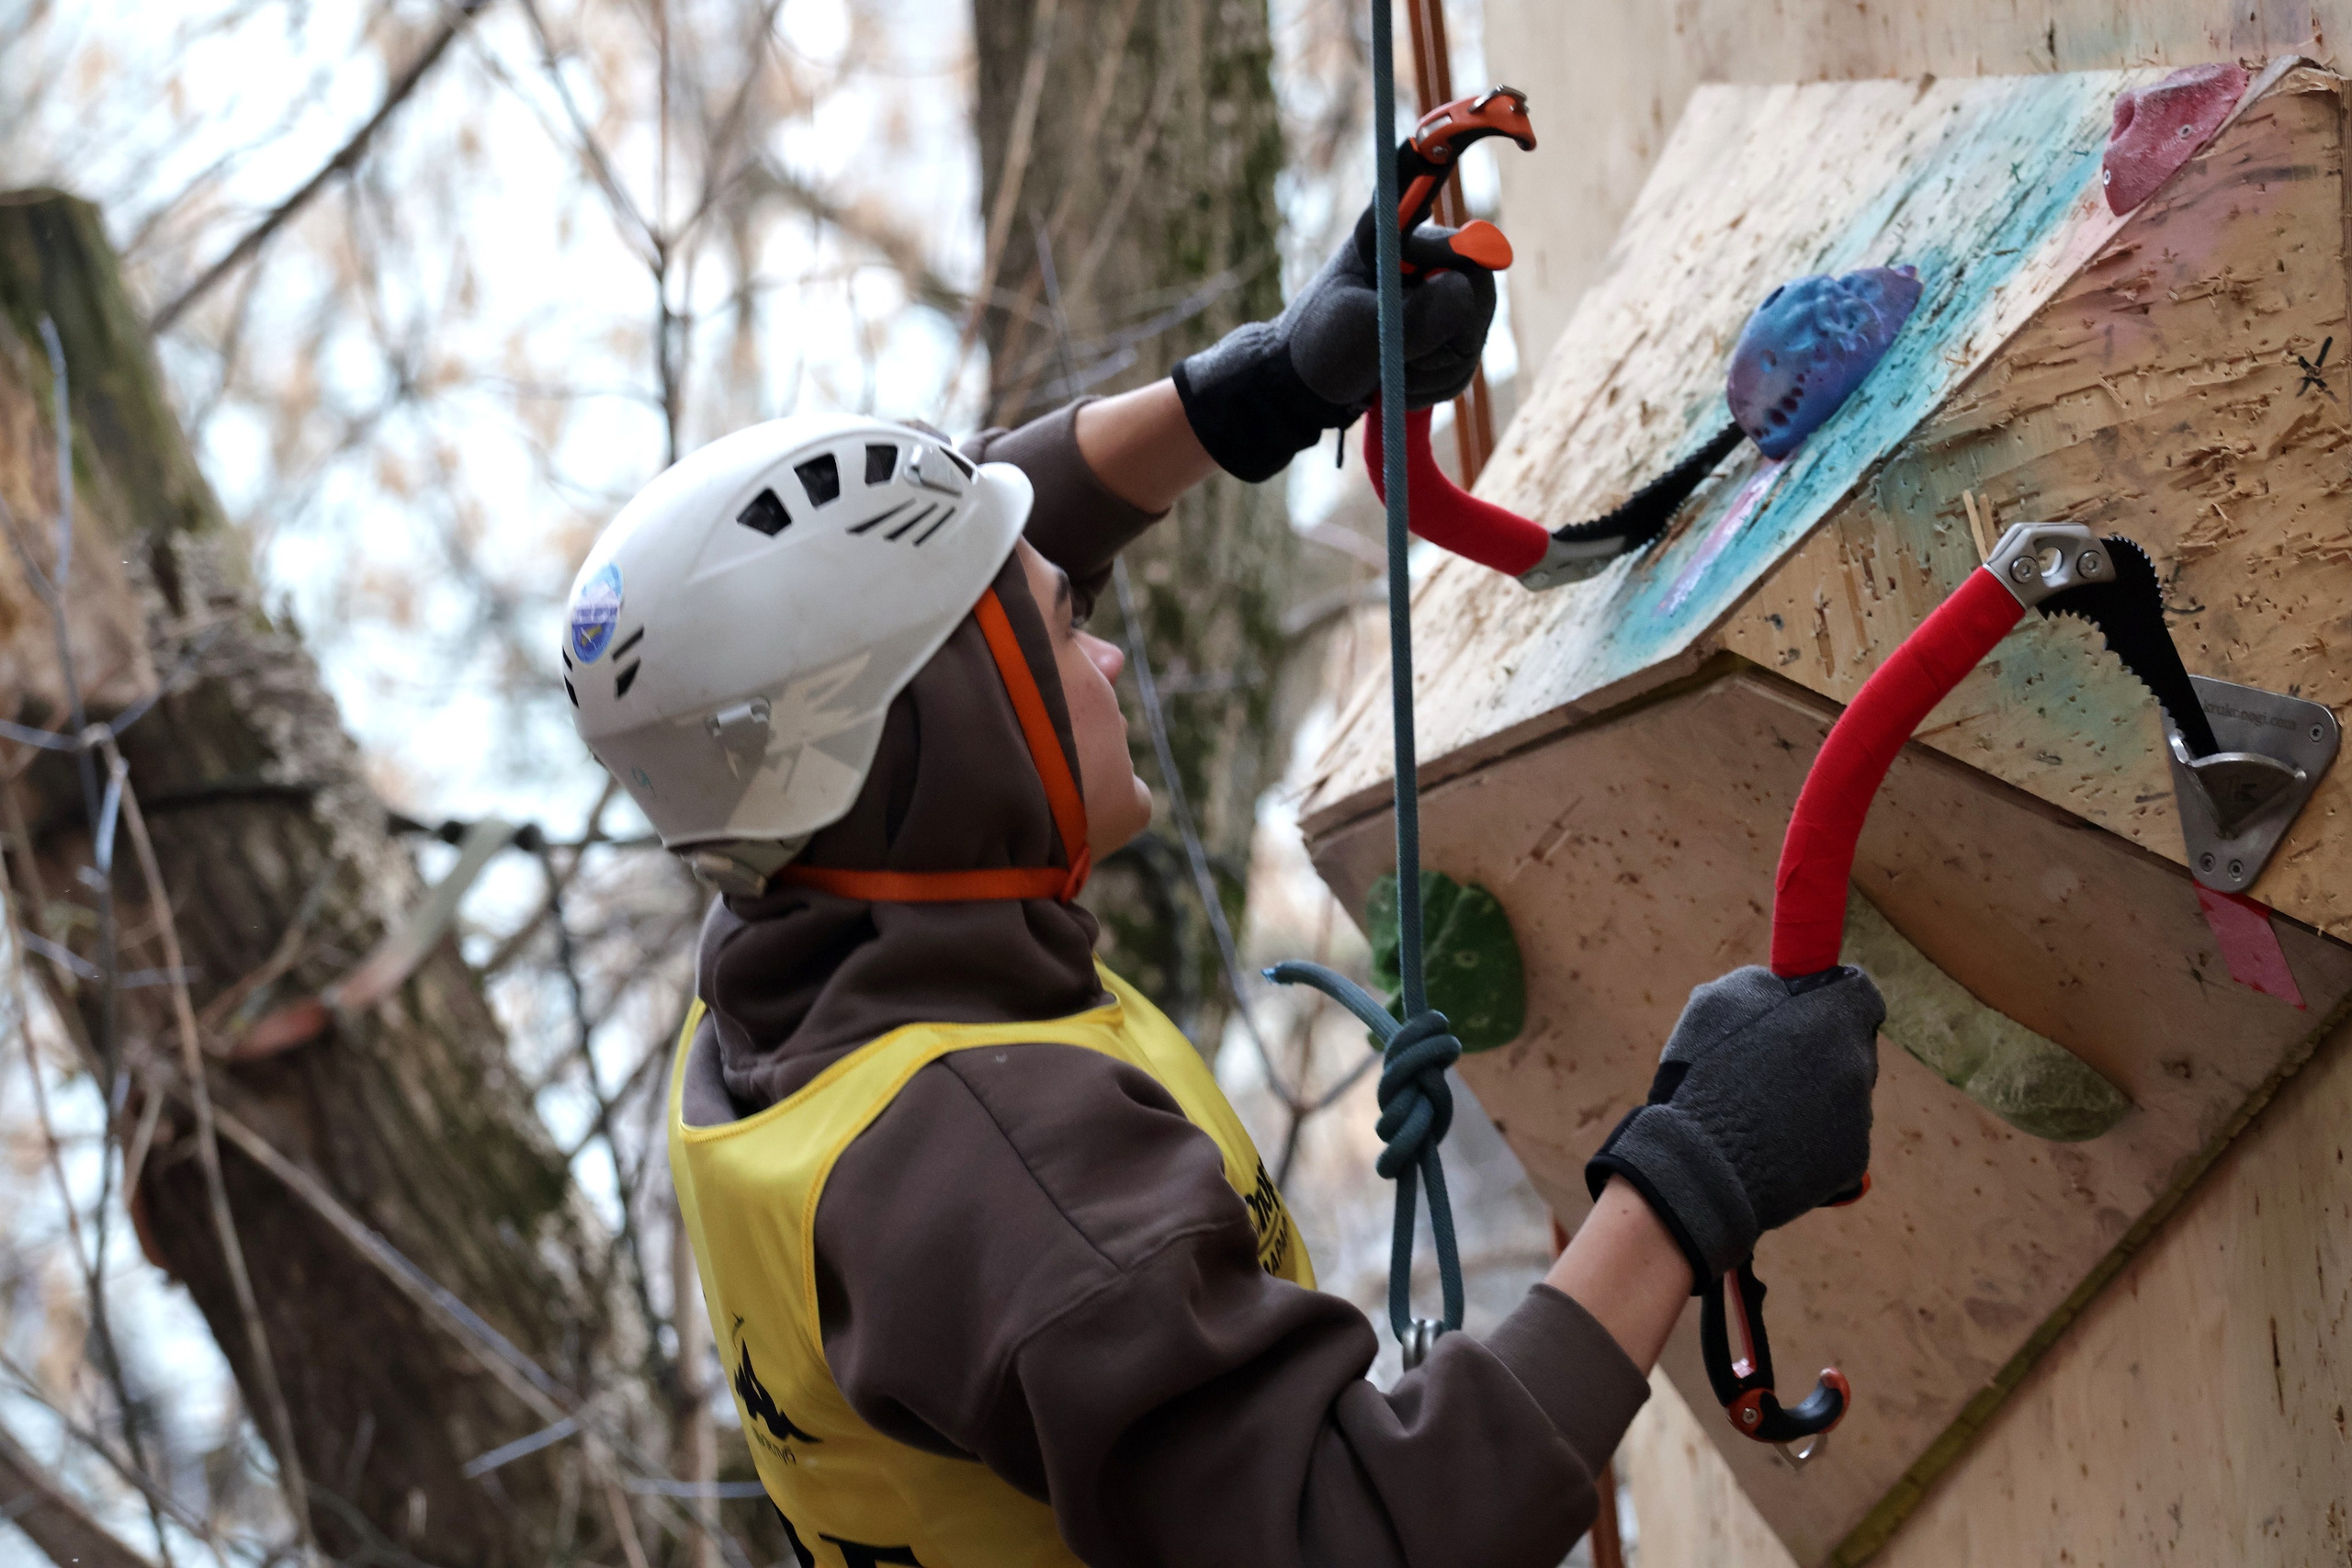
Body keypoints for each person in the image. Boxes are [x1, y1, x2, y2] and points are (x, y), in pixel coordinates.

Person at [562, 216, 1883, 1568]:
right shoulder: (998, 1176)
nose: (1115, 656)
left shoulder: (790, 954)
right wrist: (1691, 1175)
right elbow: (1374, 1532)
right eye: (1067, 629)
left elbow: (931, 603)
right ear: (944, 734)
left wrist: (1259, 388)